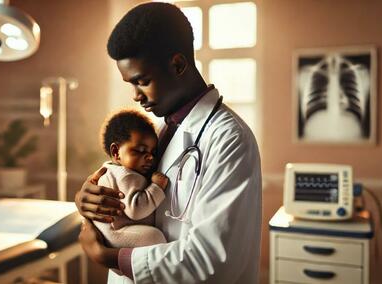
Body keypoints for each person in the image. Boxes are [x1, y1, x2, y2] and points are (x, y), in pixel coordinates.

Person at [76, 2, 262, 283]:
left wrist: (110, 257)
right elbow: (124, 183)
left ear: (177, 65)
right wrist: (88, 200)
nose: (136, 96)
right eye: (131, 84)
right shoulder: (158, 129)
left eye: (143, 81)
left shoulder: (229, 139)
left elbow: (213, 260)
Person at [83, 109, 169, 250]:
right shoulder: (126, 175)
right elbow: (136, 210)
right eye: (141, 150)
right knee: (154, 237)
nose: (150, 157)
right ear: (116, 152)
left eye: (153, 152)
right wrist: (156, 187)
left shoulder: (111, 169)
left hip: (111, 234)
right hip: (118, 235)